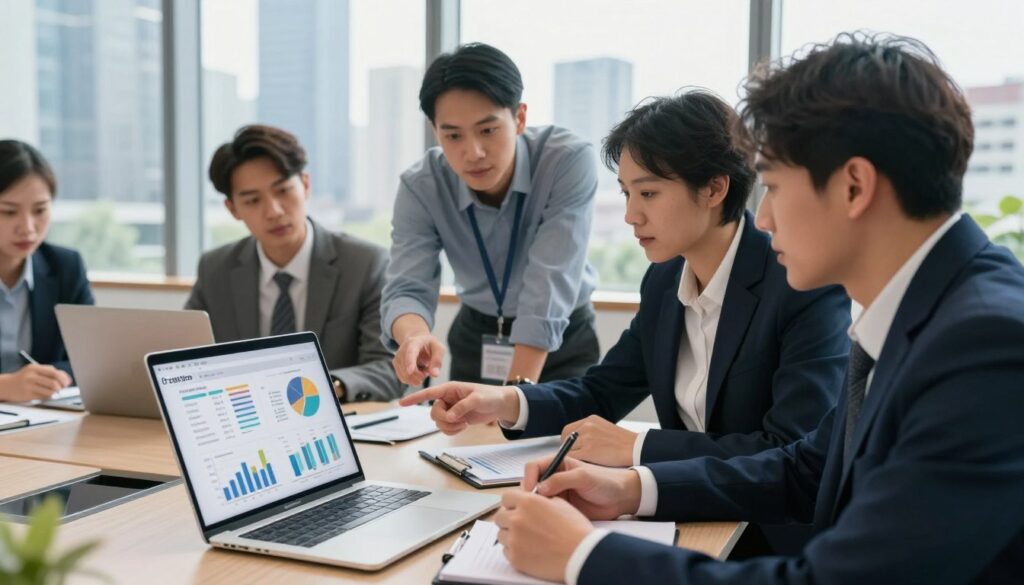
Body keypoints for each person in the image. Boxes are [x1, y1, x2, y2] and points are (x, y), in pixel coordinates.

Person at [487, 33, 1024, 585]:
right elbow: (804, 468)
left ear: (854, 186)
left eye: (772, 185)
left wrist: (584, 557)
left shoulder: (985, 344)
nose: (762, 219)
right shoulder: (923, 310)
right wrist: (631, 488)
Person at [400, 91, 851, 553]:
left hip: (769, 539)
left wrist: (637, 449)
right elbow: (602, 391)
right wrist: (503, 401)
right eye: (626, 193)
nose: (632, 215)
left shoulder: (801, 284)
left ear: (715, 189)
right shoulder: (664, 280)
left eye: (649, 192)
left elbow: (789, 449)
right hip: (686, 518)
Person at [381, 42, 600, 387]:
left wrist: (512, 401)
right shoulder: (421, 185)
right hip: (478, 334)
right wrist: (413, 335)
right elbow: (408, 284)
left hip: (560, 336)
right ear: (435, 130)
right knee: (467, 441)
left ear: (520, 117)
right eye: (452, 135)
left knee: (562, 439)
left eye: (488, 130)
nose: (473, 153)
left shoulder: (566, 161)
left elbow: (549, 283)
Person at [186, 125, 402, 402]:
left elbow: (389, 368)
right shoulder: (215, 269)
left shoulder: (365, 264)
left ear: (306, 185)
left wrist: (323, 388)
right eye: (253, 200)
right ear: (233, 209)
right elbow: (185, 359)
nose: (274, 211)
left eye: (284, 190)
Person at [0, 139, 94, 402]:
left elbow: (89, 359)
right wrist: (5, 386)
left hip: (40, 421)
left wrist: (46, 380)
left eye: (40, 210)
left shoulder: (65, 266)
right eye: (8, 212)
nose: (28, 227)